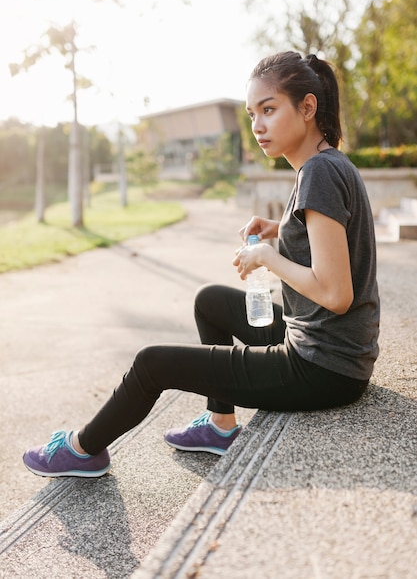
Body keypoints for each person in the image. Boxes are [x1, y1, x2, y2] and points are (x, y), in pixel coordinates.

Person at [23, 51, 380, 478]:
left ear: (307, 107)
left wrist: (268, 256)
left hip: (321, 366)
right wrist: (280, 229)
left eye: (269, 109)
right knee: (209, 300)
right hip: (337, 352)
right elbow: (332, 242)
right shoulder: (329, 163)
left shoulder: (317, 173)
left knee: (153, 362)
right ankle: (220, 425)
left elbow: (337, 294)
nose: (257, 126)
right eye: (251, 114)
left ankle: (82, 451)